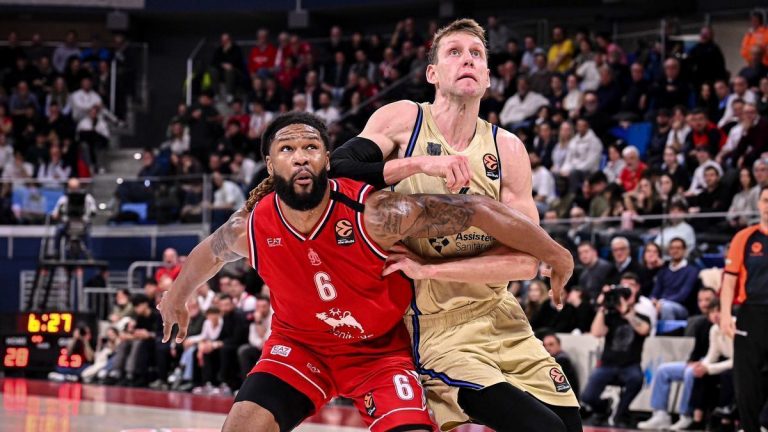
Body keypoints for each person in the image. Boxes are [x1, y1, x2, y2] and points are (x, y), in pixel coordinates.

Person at [158, 112, 575, 432]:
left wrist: (556, 254)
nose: (300, 156)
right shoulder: (250, 226)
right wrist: (176, 297)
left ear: (327, 160)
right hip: (300, 347)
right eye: (287, 149)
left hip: (380, 354)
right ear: (270, 165)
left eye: (311, 147)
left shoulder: (375, 214)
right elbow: (210, 252)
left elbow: (479, 210)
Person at [328, 19, 582, 432]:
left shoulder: (507, 148)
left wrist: (430, 268)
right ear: (432, 73)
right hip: (437, 327)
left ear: (488, 77)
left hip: (501, 315)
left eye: (476, 54)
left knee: (570, 427)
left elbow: (525, 262)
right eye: (455, 52)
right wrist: (421, 164)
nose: (468, 60)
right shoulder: (405, 118)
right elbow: (338, 167)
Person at [639, 299, 732, 431]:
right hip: (705, 362)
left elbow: (730, 358)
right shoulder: (709, 327)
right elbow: (709, 353)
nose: (715, 315)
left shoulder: (733, 325)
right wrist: (696, 363)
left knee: (691, 373)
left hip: (723, 366)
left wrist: (705, 367)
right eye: (712, 312)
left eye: (719, 311)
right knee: (663, 370)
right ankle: (660, 414)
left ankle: (686, 415)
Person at [720, 185, 768, 432]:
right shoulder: (745, 237)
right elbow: (729, 280)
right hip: (751, 314)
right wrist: (725, 314)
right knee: (747, 379)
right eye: (766, 200)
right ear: (759, 204)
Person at [581, 284, 652, 427]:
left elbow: (644, 330)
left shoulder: (642, 317)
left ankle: (620, 413)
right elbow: (596, 333)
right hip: (607, 365)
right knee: (587, 397)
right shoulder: (610, 317)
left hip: (630, 365)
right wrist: (602, 308)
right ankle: (603, 409)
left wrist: (626, 312)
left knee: (637, 379)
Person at [542, 333, 580, 401]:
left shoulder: (561, 360)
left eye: (551, 344)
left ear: (559, 345)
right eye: (545, 345)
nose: (547, 348)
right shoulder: (555, 359)